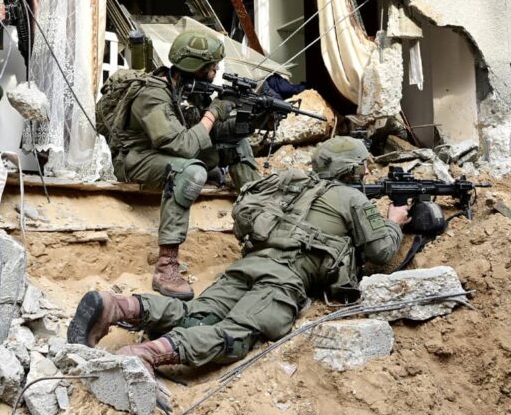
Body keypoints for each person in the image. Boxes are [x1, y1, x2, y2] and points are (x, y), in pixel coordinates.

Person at [67, 136, 411, 371]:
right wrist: (394, 221)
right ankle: (145, 354)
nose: (366, 173)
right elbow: (381, 252)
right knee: (235, 334)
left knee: (196, 312)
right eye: (362, 167)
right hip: (284, 279)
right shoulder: (353, 199)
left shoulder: (290, 183)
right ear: (349, 170)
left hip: (248, 264)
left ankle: (118, 306)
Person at [101, 30, 260, 300]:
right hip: (136, 158)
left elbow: (213, 132)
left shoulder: (186, 88)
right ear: (195, 67)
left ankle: (260, 225)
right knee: (191, 172)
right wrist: (214, 112)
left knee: (236, 143)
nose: (216, 70)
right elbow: (184, 146)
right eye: (211, 66)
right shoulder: (152, 94)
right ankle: (166, 267)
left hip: (167, 152)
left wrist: (250, 120)